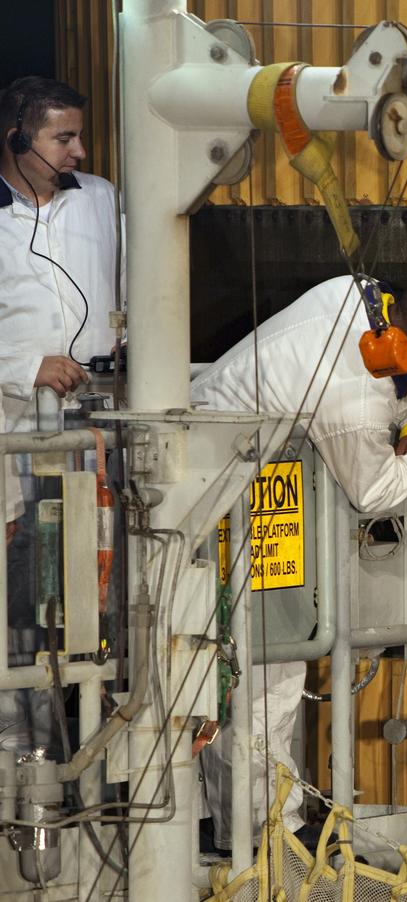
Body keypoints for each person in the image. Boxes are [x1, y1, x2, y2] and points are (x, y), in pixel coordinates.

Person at [193, 273, 407, 848]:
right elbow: (372, 492)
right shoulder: (350, 390)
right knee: (262, 678)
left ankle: (260, 825)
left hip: (256, 500)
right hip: (217, 506)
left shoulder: (362, 296)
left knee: (257, 672)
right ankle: (266, 840)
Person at [0, 77, 120, 755]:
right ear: (17, 138)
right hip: (16, 432)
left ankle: (86, 739)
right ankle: (20, 750)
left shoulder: (100, 200)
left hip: (95, 426)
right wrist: (24, 366)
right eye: (62, 138)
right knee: (22, 595)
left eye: (79, 135)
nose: (78, 150)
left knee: (94, 585)